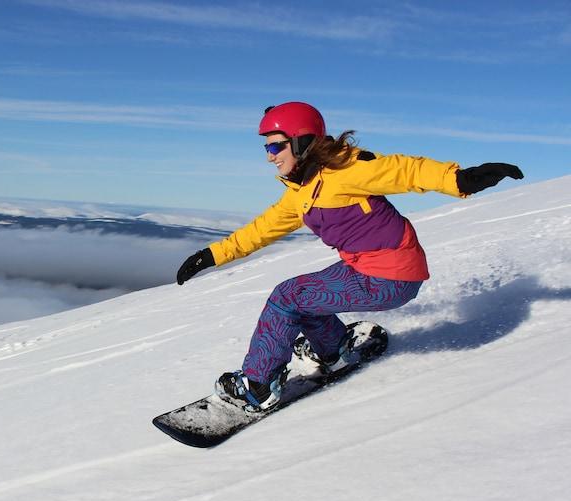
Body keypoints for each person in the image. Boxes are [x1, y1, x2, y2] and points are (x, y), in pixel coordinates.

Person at [175, 101, 523, 412]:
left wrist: (460, 179)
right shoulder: (302, 191)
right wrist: (211, 255)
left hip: (390, 276)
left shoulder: (347, 170)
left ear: (301, 141)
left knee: (287, 297)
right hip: (368, 267)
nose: (269, 155)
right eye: (267, 146)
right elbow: (262, 229)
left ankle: (258, 387)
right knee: (302, 296)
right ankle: (334, 351)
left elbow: (405, 170)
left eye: (276, 145)